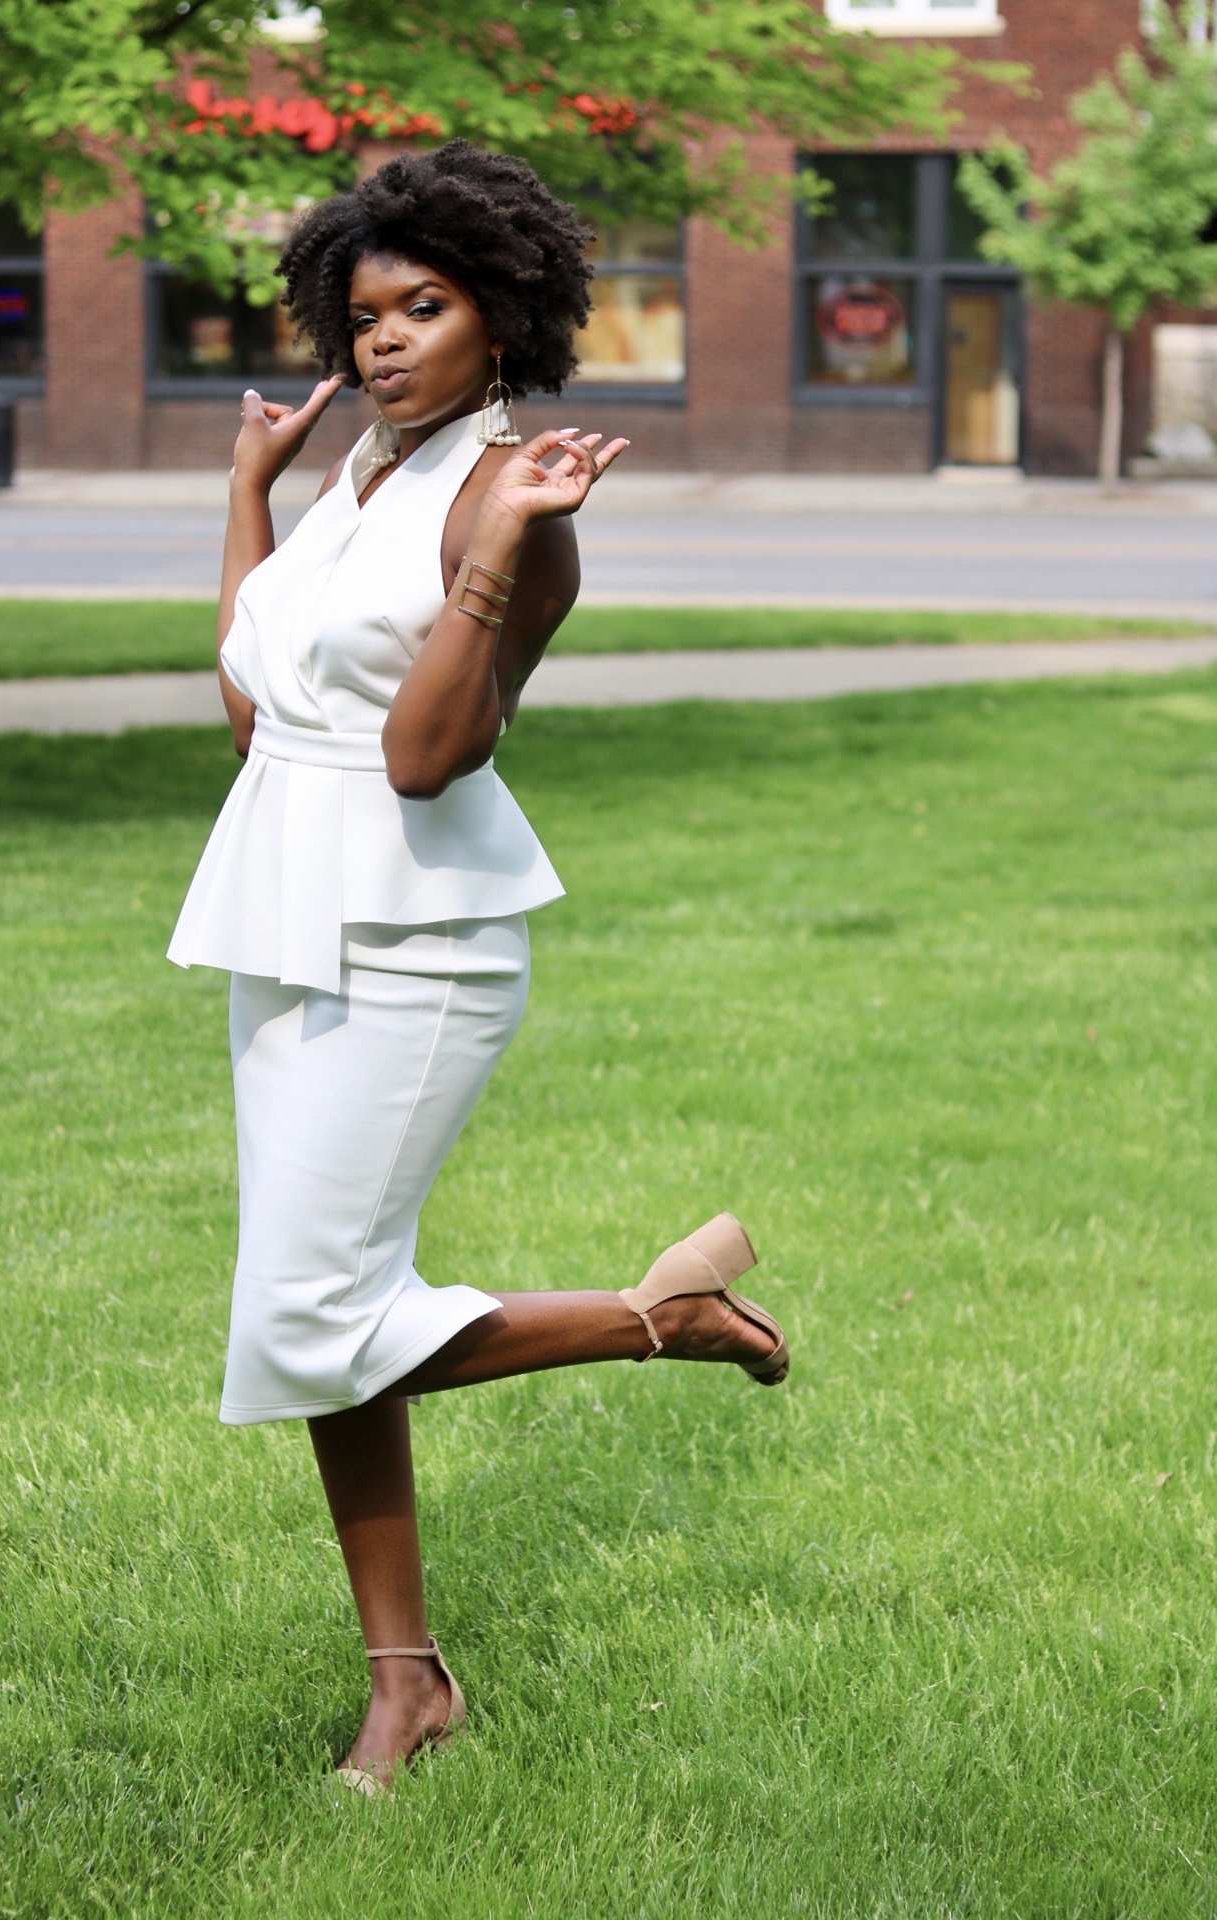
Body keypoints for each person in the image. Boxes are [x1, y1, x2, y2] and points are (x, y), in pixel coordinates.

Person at [168, 141, 789, 1795]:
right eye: (365, 312)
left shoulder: (513, 500)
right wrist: (248, 496)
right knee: (317, 1313)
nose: (384, 339)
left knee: (306, 1314)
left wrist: (503, 545)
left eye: (423, 308)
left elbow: (426, 755)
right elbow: (256, 711)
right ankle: (409, 1685)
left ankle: (658, 1318)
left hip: (417, 941)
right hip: (278, 914)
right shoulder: (358, 478)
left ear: (499, 318)